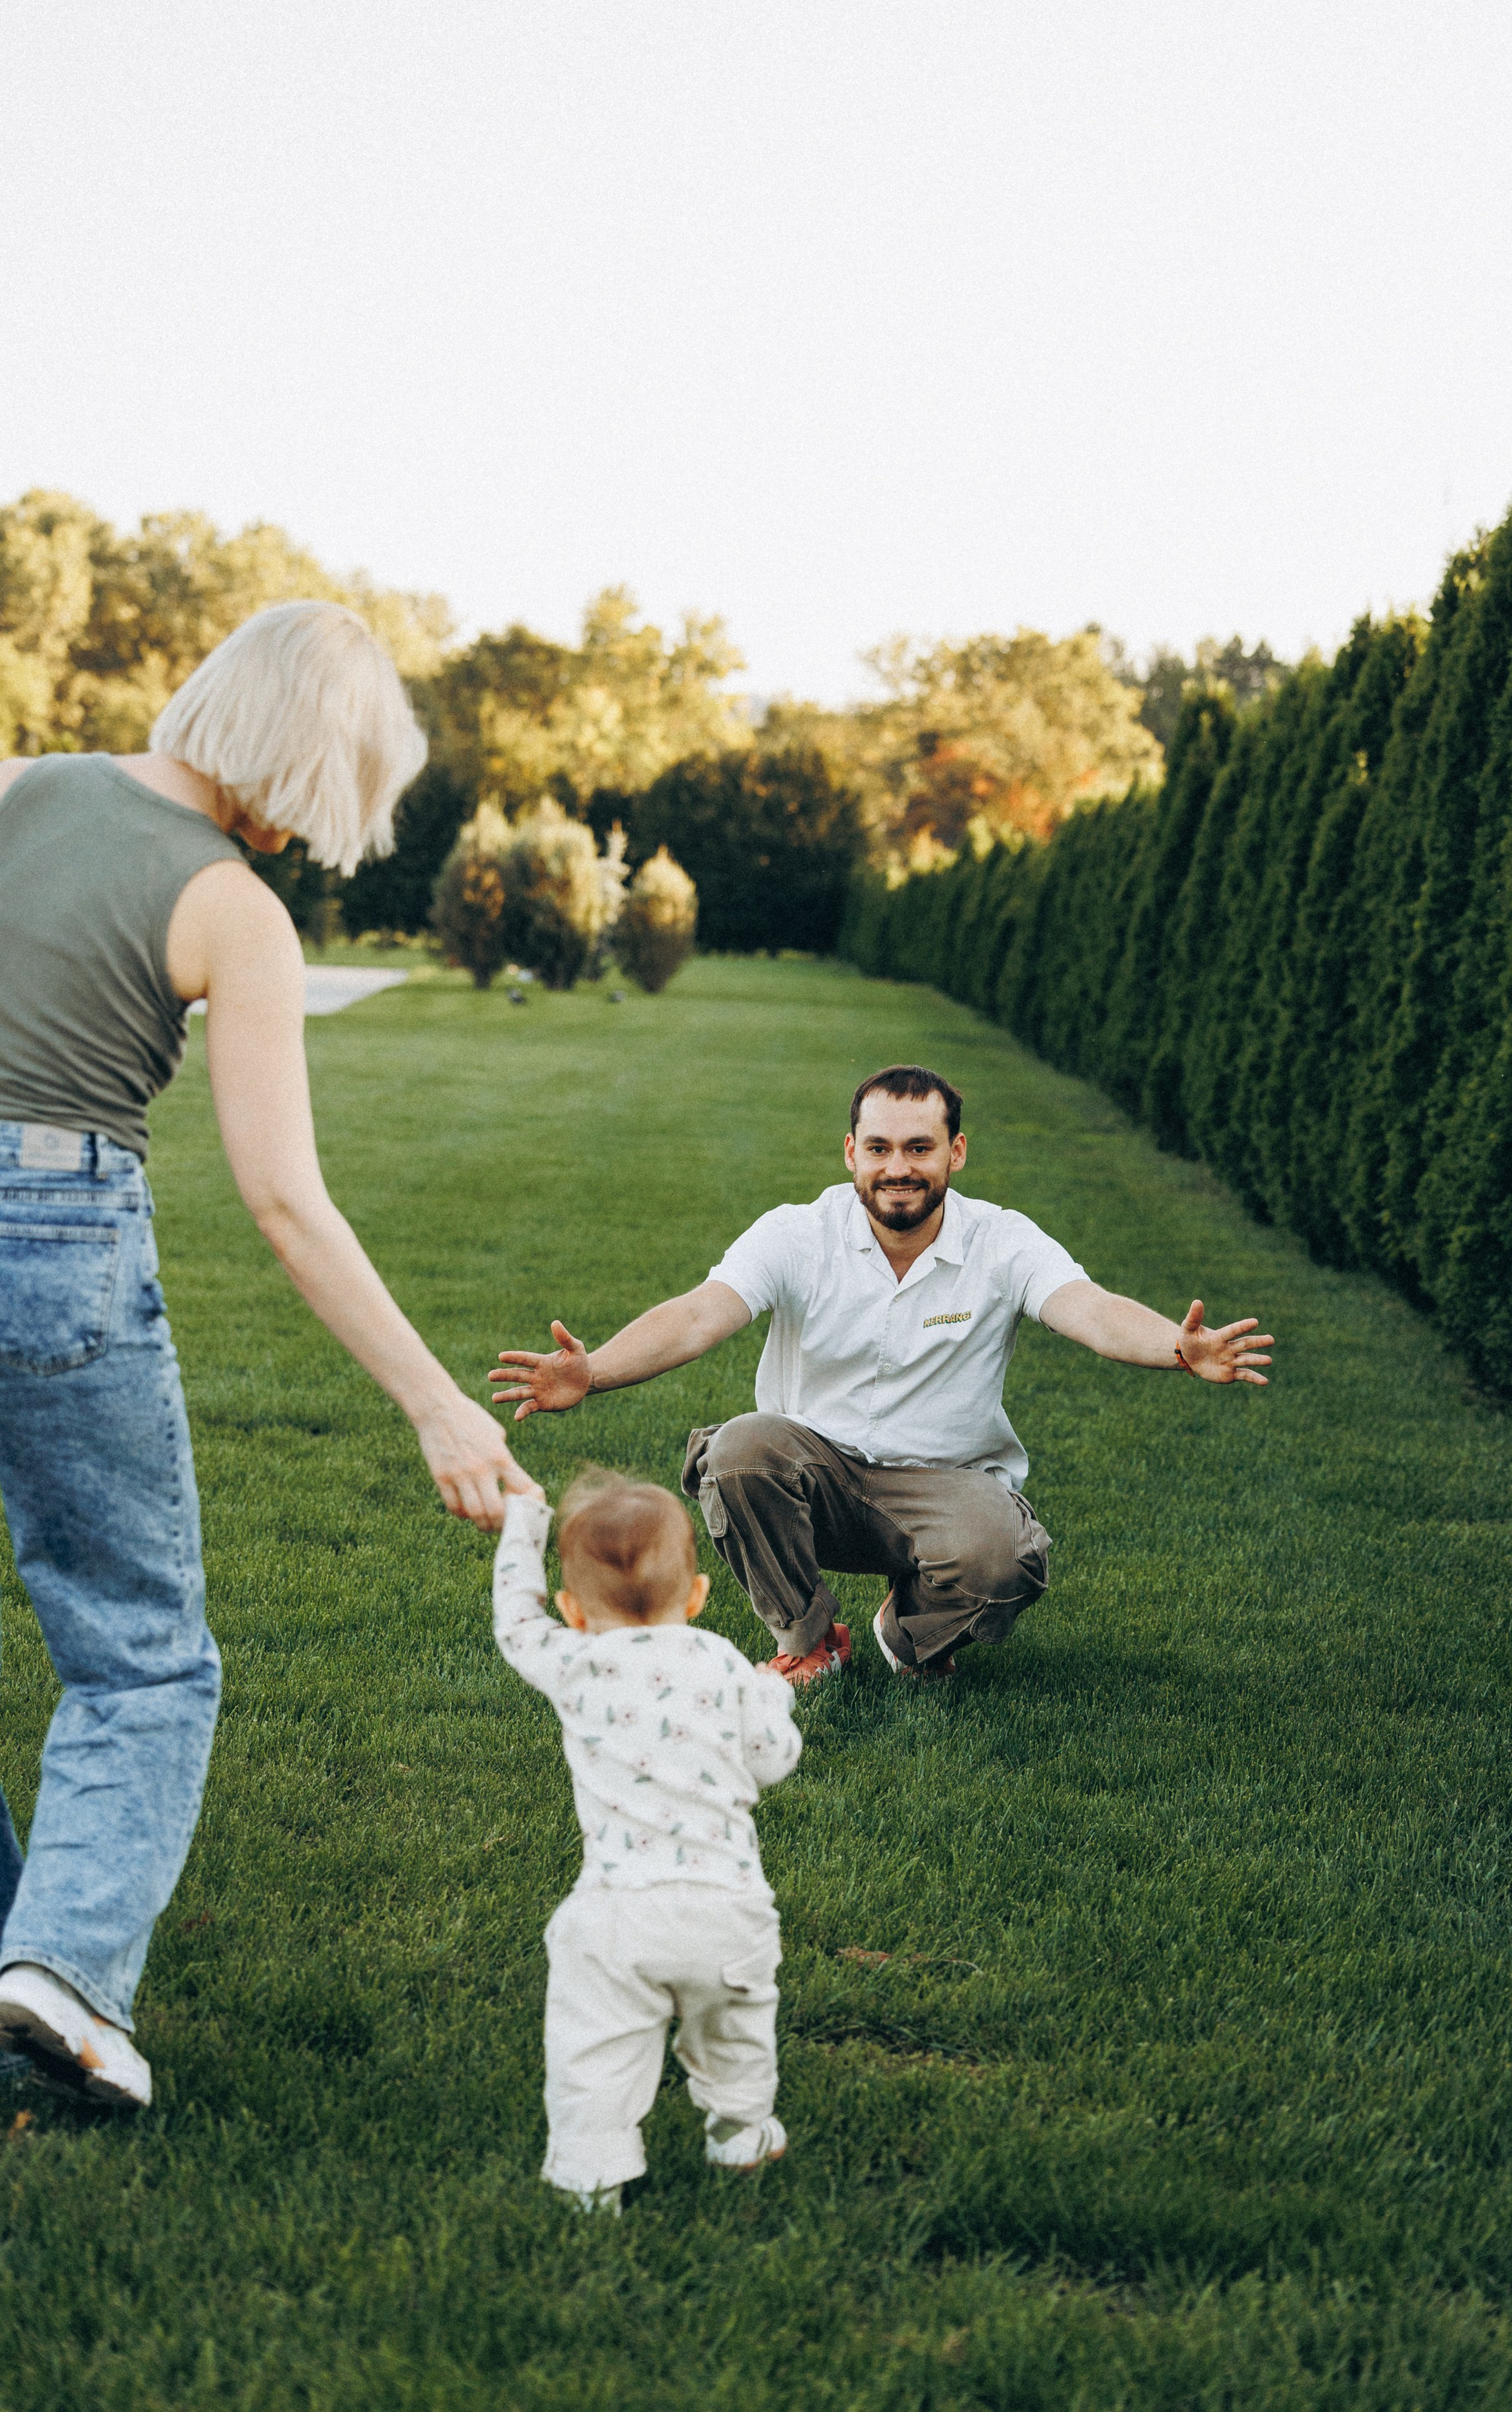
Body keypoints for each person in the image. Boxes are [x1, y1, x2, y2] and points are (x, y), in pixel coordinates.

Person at [0, 601, 535, 2110]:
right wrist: (438, 1408)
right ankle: (63, 1972)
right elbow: (285, 1200)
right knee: (141, 1657)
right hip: (55, 1233)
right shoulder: (233, 907)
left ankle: (23, 1960)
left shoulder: (23, 783)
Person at [489, 1063, 1272, 1687]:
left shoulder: (1001, 1241)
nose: (898, 1168)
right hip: (815, 1474)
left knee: (1005, 1561)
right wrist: (594, 1374)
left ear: (954, 1153)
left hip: (944, 1484)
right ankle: (808, 1643)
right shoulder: (799, 1232)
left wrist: (1177, 1345)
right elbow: (701, 1314)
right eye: (880, 1148)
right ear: (851, 1152)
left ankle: (908, 1633)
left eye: (919, 1148)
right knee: (738, 1450)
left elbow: (1091, 1311)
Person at [493, 1469, 800, 2213]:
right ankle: (739, 2131)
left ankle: (592, 2178)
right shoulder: (726, 1664)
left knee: (595, 2048)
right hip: (729, 1909)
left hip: (618, 1911)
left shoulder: (574, 1661)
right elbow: (770, 1762)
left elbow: (514, 1624)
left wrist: (523, 1522)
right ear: (695, 1597)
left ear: (572, 1610)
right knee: (735, 2032)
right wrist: (773, 1694)